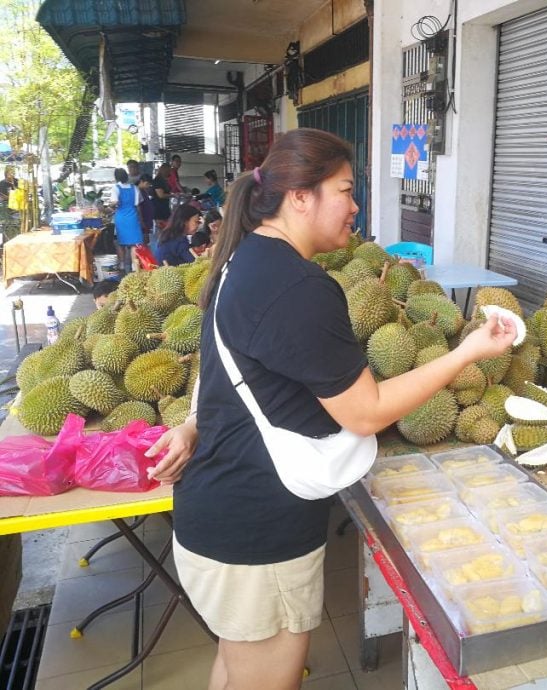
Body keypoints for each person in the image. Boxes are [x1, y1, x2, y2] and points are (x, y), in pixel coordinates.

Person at [145, 128, 516, 690]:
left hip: (219, 510)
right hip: (256, 528)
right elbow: (364, 413)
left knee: (236, 669)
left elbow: (232, 373)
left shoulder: (242, 262)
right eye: (346, 189)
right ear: (301, 196)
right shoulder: (298, 287)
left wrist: (195, 424)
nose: (356, 206)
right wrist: (467, 351)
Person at [108, 168, 143, 273]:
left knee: (120, 242)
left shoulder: (116, 188)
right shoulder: (135, 188)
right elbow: (138, 205)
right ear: (126, 176)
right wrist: (141, 219)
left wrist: (110, 205)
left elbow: (114, 202)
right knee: (134, 243)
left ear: (116, 177)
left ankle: (122, 264)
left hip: (121, 218)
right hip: (132, 217)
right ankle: (134, 266)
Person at [151, 164, 172, 230]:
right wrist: (173, 195)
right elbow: (161, 195)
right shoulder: (158, 181)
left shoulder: (164, 180)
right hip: (158, 207)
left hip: (164, 206)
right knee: (162, 227)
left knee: (166, 227)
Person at [137, 173, 155, 246]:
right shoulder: (137, 191)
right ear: (141, 181)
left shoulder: (144, 191)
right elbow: (138, 208)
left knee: (146, 241)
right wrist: (141, 221)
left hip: (147, 220)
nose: (148, 186)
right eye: (147, 184)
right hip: (142, 221)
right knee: (142, 242)